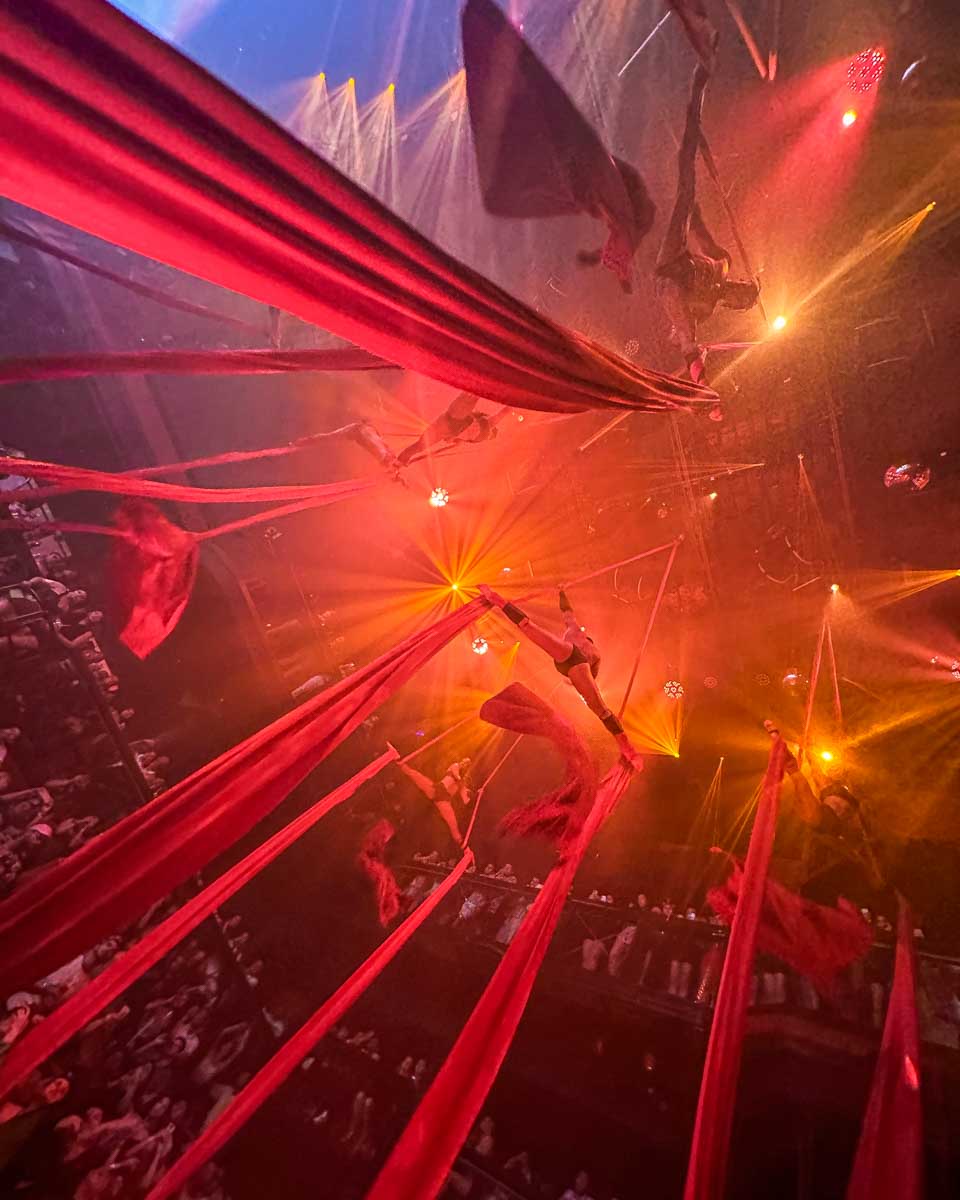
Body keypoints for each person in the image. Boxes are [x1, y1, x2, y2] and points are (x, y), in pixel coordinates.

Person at [655, 65, 760, 383]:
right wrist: (690, 207)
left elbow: (680, 323)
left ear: (734, 304)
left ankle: (698, 378)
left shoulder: (706, 308)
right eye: (745, 288)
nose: (738, 290)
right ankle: (692, 119)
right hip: (677, 254)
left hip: (668, 278)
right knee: (686, 190)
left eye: (740, 296)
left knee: (687, 334)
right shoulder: (723, 263)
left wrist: (690, 349)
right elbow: (699, 232)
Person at [478, 584, 644, 768]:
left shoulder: (578, 639)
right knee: (602, 711)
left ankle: (628, 749)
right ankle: (627, 748)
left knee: (528, 627)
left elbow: (559, 615)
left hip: (571, 662)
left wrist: (561, 593)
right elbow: (567, 613)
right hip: (574, 664)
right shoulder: (580, 639)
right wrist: (561, 592)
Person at [396, 393, 509, 466]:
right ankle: (400, 460)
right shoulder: (486, 427)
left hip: (449, 423)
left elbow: (503, 413)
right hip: (451, 424)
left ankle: (400, 461)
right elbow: (503, 413)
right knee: (473, 394)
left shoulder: (479, 432)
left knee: (420, 445)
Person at [395, 756, 473, 848]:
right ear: (462, 762)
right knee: (417, 777)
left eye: (466, 765)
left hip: (444, 800)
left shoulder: (462, 783)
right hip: (436, 790)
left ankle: (459, 841)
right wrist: (461, 783)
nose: (464, 765)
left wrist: (471, 796)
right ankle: (401, 764)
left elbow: (465, 800)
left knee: (452, 821)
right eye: (464, 763)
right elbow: (456, 775)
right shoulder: (455, 766)